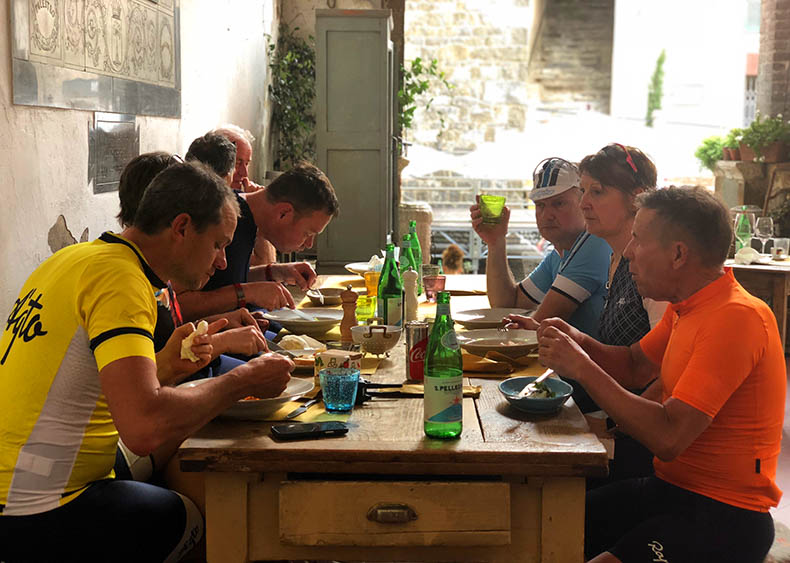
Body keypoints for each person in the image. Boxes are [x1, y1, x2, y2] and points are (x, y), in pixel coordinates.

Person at [0, 161, 294, 563]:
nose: (223, 262)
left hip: (20, 479)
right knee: (206, 517)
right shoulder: (121, 281)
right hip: (36, 507)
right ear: (182, 227)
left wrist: (167, 366)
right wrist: (244, 380)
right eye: (218, 244)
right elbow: (144, 427)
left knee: (178, 448)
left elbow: (92, 382)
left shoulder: (76, 259)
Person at [536, 186, 784, 563]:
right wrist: (579, 340)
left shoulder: (736, 317)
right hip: (670, 489)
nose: (629, 252)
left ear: (678, 253)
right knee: (543, 523)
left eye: (639, 239)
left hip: (726, 514)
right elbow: (635, 366)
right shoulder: (685, 306)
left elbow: (669, 436)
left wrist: (581, 367)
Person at [177, 159, 340, 321]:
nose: (309, 244)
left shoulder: (248, 219)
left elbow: (223, 280)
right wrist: (246, 293)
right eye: (308, 233)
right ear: (284, 213)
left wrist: (274, 272)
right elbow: (175, 305)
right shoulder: (223, 219)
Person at [472, 157, 610, 339]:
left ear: (583, 203)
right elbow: (507, 305)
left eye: (559, 203)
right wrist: (496, 241)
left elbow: (535, 328)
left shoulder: (595, 244)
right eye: (540, 205)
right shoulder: (561, 253)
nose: (547, 215)